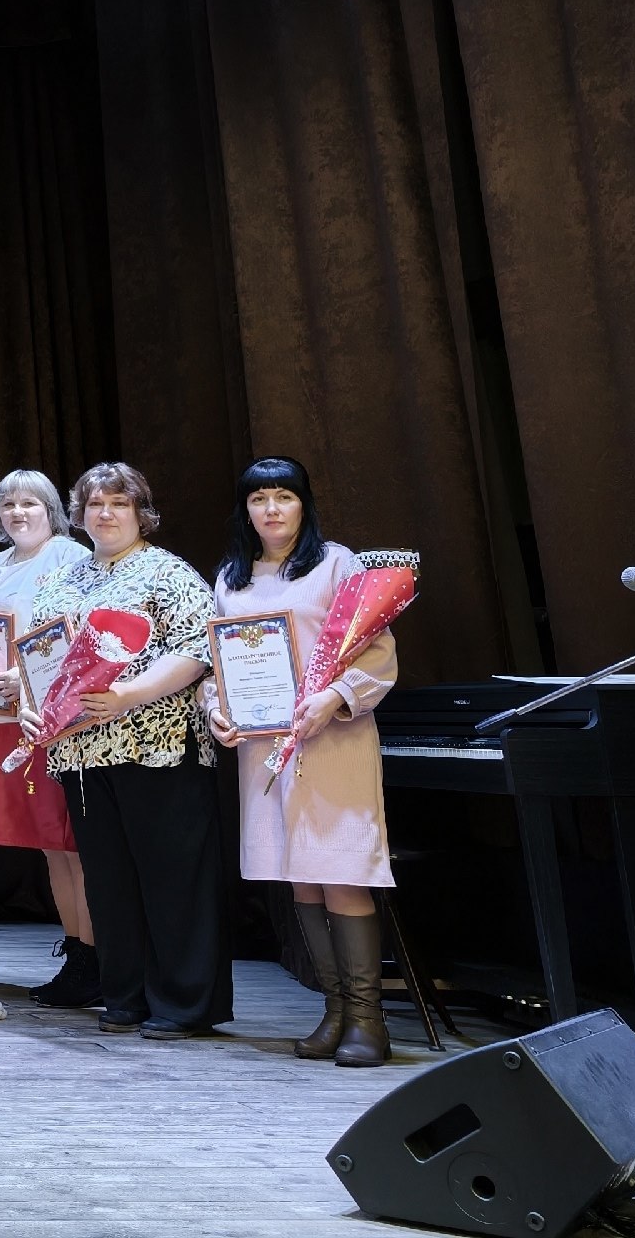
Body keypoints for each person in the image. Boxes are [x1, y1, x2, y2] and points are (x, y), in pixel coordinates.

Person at [22, 462, 229, 1039]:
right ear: (80, 514)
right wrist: (31, 707)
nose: (106, 514)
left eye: (119, 503)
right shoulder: (62, 580)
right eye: (95, 504)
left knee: (172, 878)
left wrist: (127, 695)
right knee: (109, 881)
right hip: (82, 754)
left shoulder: (168, 572)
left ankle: (183, 1003)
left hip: (158, 745)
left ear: (142, 513)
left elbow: (198, 650)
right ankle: (125, 994)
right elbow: (39, 660)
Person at [208, 457, 395, 1066]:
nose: (271, 509)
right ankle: (335, 1011)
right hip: (265, 749)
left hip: (333, 739)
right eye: (258, 498)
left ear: (304, 504)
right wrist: (218, 709)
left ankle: (369, 1021)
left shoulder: (337, 565)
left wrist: (334, 697)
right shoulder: (232, 579)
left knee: (342, 870)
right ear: (245, 510)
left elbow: (377, 652)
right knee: (301, 876)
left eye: (283, 497)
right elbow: (218, 664)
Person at [0, 470, 96, 1007]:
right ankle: (78, 951)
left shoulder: (70, 557)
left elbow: (79, 638)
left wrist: (22, 675)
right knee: (50, 846)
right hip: (1, 717)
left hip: (52, 716)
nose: (18, 513)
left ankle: (97, 955)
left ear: (52, 510)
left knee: (73, 844)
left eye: (30, 503)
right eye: (8, 504)